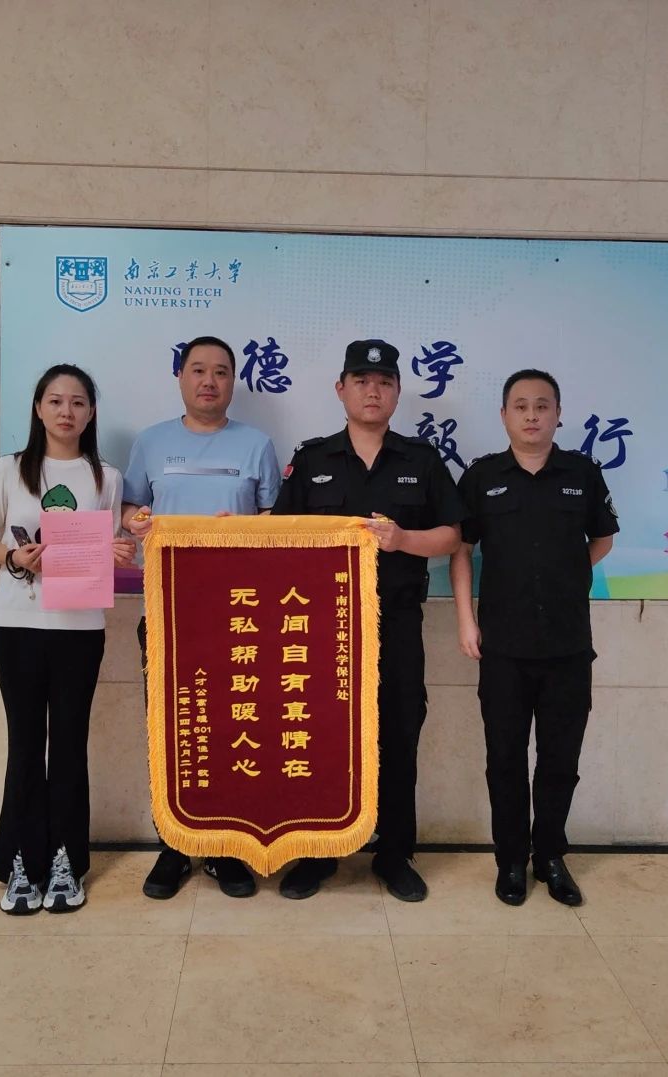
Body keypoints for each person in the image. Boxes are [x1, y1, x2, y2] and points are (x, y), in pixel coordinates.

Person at [271, 339, 463, 902]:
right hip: (321, 628)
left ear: (398, 392)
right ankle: (317, 853)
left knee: (399, 732)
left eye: (383, 382)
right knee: (320, 735)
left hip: (396, 622)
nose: (372, 391)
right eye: (361, 381)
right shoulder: (312, 460)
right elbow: (280, 537)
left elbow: (452, 536)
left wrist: (402, 540)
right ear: (341, 389)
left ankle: (394, 853)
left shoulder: (421, 460)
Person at [0, 364, 135, 914]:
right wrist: (14, 557)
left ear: (91, 413)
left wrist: (118, 551)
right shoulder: (8, 469)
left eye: (79, 402)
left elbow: (109, 546)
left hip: (79, 630)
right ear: (39, 408)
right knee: (24, 747)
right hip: (16, 625)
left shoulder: (106, 477)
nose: (67, 411)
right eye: (57, 401)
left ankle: (66, 861)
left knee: (67, 747)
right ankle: (21, 863)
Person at [450, 368, 618, 907]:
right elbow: (460, 551)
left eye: (542, 406)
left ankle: (550, 857)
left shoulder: (582, 473)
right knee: (504, 759)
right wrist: (467, 620)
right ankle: (510, 861)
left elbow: (603, 539)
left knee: (559, 760)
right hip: (502, 647)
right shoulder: (482, 476)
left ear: (558, 415)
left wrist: (568, 575)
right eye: (520, 406)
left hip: (568, 646)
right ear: (504, 415)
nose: (531, 415)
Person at [123, 335, 281, 900]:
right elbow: (130, 509)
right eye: (198, 370)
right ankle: (174, 844)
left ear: (234, 381)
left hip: (238, 616)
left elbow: (275, 522)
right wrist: (137, 521)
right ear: (181, 378)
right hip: (168, 610)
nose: (209, 381)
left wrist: (247, 531)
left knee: (232, 727)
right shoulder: (150, 443)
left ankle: (224, 847)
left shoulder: (257, 445)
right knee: (170, 726)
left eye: (220, 371)